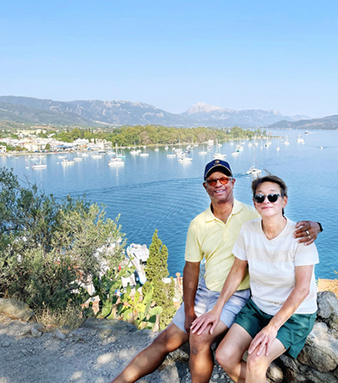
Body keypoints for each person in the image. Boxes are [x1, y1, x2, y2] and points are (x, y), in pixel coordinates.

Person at [111, 161, 322, 383]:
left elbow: (284, 227)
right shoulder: (201, 224)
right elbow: (192, 268)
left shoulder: (253, 215)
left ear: (232, 183)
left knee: (200, 339)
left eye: (223, 180)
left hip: (239, 296)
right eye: (212, 181)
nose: (218, 184)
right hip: (208, 293)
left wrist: (317, 225)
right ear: (205, 186)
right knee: (164, 341)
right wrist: (191, 310)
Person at [191, 174, 318, 383]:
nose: (266, 201)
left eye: (273, 197)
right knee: (224, 356)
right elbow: (237, 271)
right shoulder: (248, 230)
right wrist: (217, 309)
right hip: (258, 308)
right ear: (254, 203)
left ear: (284, 200)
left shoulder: (301, 236)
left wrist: (272, 327)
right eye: (260, 198)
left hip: (295, 316)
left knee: (256, 359)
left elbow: (302, 289)